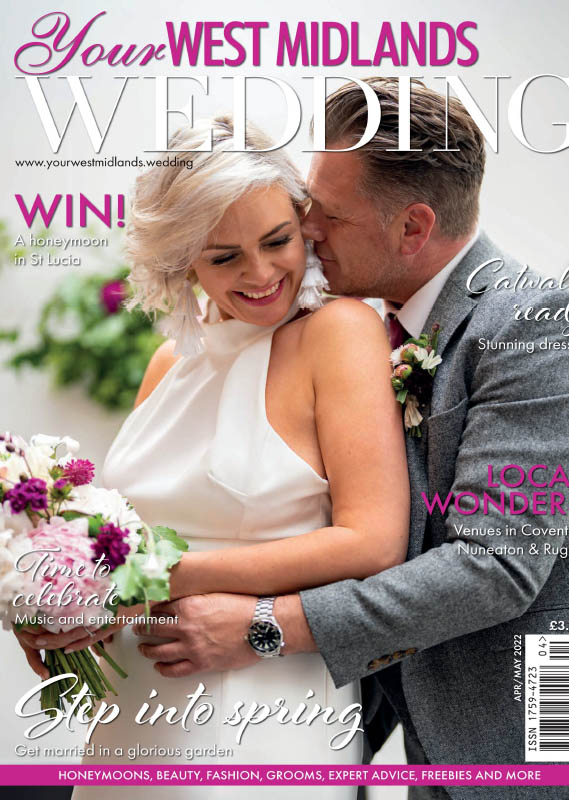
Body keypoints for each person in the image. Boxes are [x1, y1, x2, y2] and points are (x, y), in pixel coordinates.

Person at [105, 80, 569, 800]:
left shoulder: (534, 326)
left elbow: (497, 566)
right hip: (380, 712)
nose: (307, 229)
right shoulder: (366, 325)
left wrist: (265, 627)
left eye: (327, 214)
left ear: (413, 227)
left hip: (525, 711)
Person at [15, 115, 410, 798]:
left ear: (304, 225)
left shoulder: (340, 332)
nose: (261, 273)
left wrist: (157, 580)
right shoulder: (170, 361)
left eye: (277, 240)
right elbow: (127, 541)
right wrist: (63, 605)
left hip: (266, 705)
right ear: (183, 259)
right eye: (224, 257)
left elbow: (373, 542)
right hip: (136, 714)